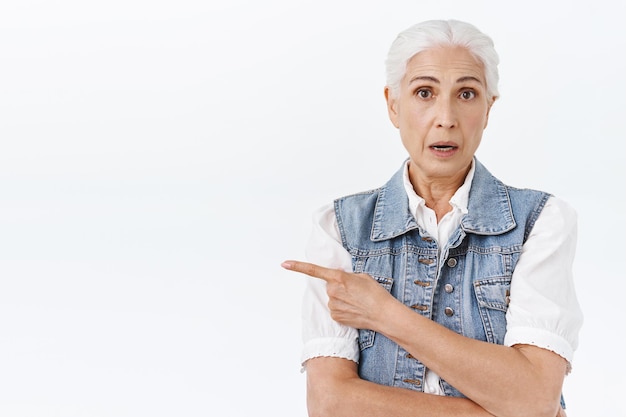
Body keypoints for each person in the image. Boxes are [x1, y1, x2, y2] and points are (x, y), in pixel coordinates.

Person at [281, 19, 583, 417]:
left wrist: (383, 312)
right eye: (424, 92)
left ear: (489, 108)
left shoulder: (540, 222)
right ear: (393, 104)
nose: (446, 117)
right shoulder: (338, 228)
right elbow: (330, 403)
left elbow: (534, 396)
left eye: (467, 94)